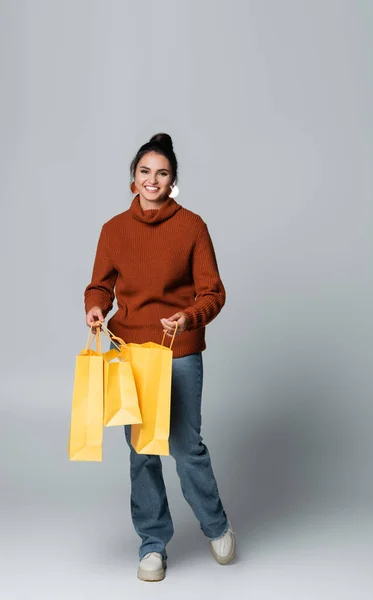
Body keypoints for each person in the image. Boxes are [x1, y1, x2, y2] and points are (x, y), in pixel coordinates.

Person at [84, 133, 236, 581]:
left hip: (179, 351)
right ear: (133, 179)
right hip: (129, 351)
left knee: (187, 448)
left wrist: (189, 318)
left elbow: (213, 292)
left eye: (162, 173)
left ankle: (216, 524)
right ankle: (152, 544)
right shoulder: (113, 230)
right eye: (145, 171)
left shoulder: (192, 227)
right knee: (141, 451)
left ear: (173, 182)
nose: (153, 180)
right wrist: (95, 306)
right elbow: (100, 285)